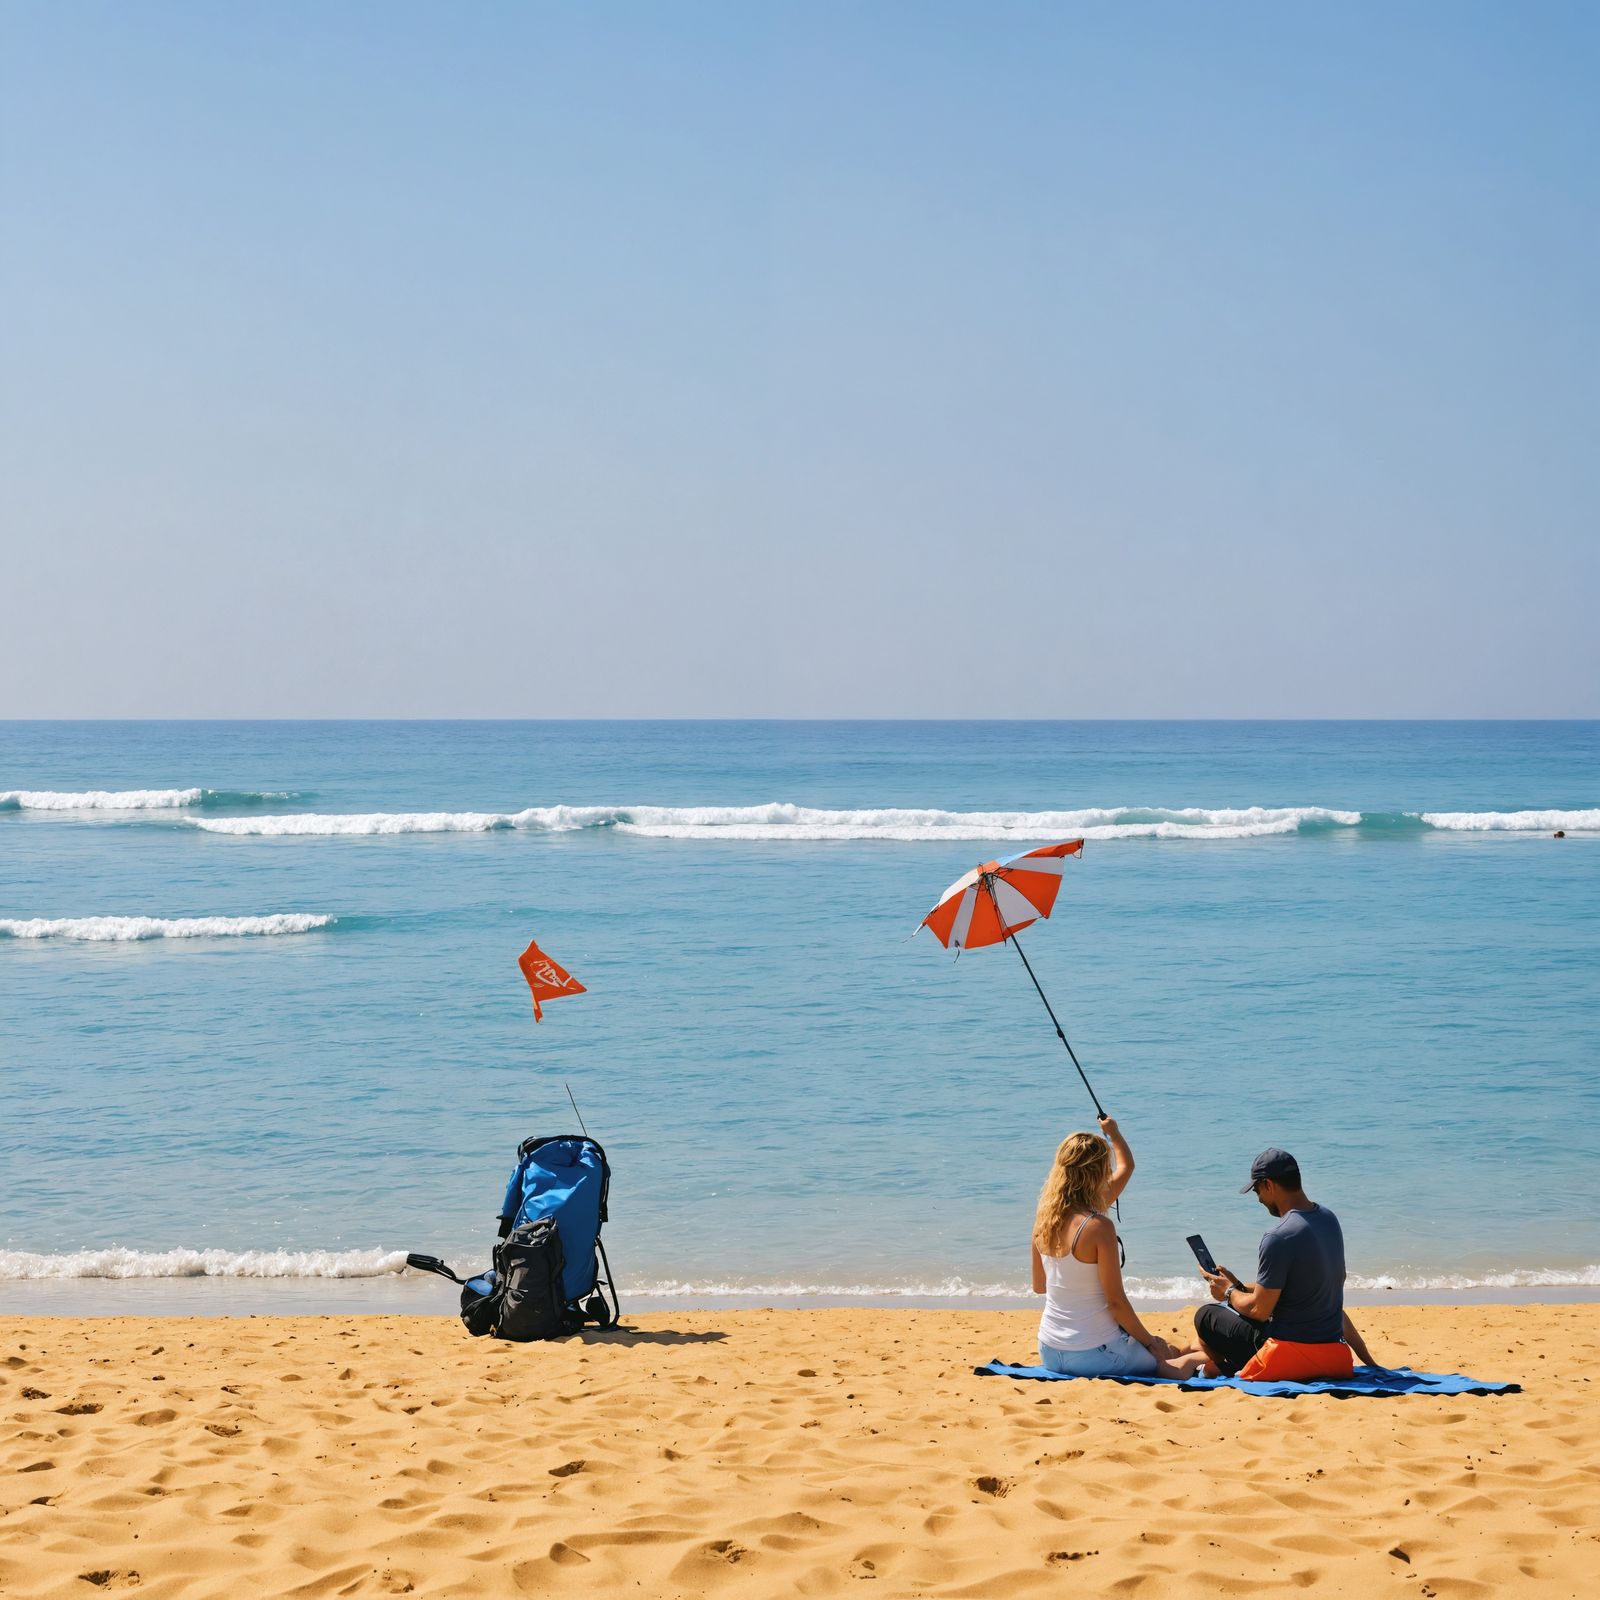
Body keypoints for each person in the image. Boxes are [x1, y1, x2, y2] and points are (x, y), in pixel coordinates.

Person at [1032, 1116, 1208, 1379]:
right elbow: (1115, 1303)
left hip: (1050, 1351)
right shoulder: (1098, 1227)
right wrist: (1149, 1342)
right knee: (1167, 1357)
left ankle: (1179, 1350)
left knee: (1163, 1346)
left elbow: (1040, 1286)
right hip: (1094, 1354)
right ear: (1100, 1172)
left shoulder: (1043, 1221)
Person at [1192, 1147, 1377, 1379]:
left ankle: (1225, 1367)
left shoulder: (1278, 1236)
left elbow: (1260, 1310)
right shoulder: (1329, 1220)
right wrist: (1237, 1285)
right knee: (1237, 1306)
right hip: (1332, 1350)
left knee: (1206, 1316)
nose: (1258, 1198)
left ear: (1269, 1185)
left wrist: (1228, 1292)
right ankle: (1222, 1363)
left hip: (1289, 1350)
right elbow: (1308, 1288)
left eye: (1257, 1190)